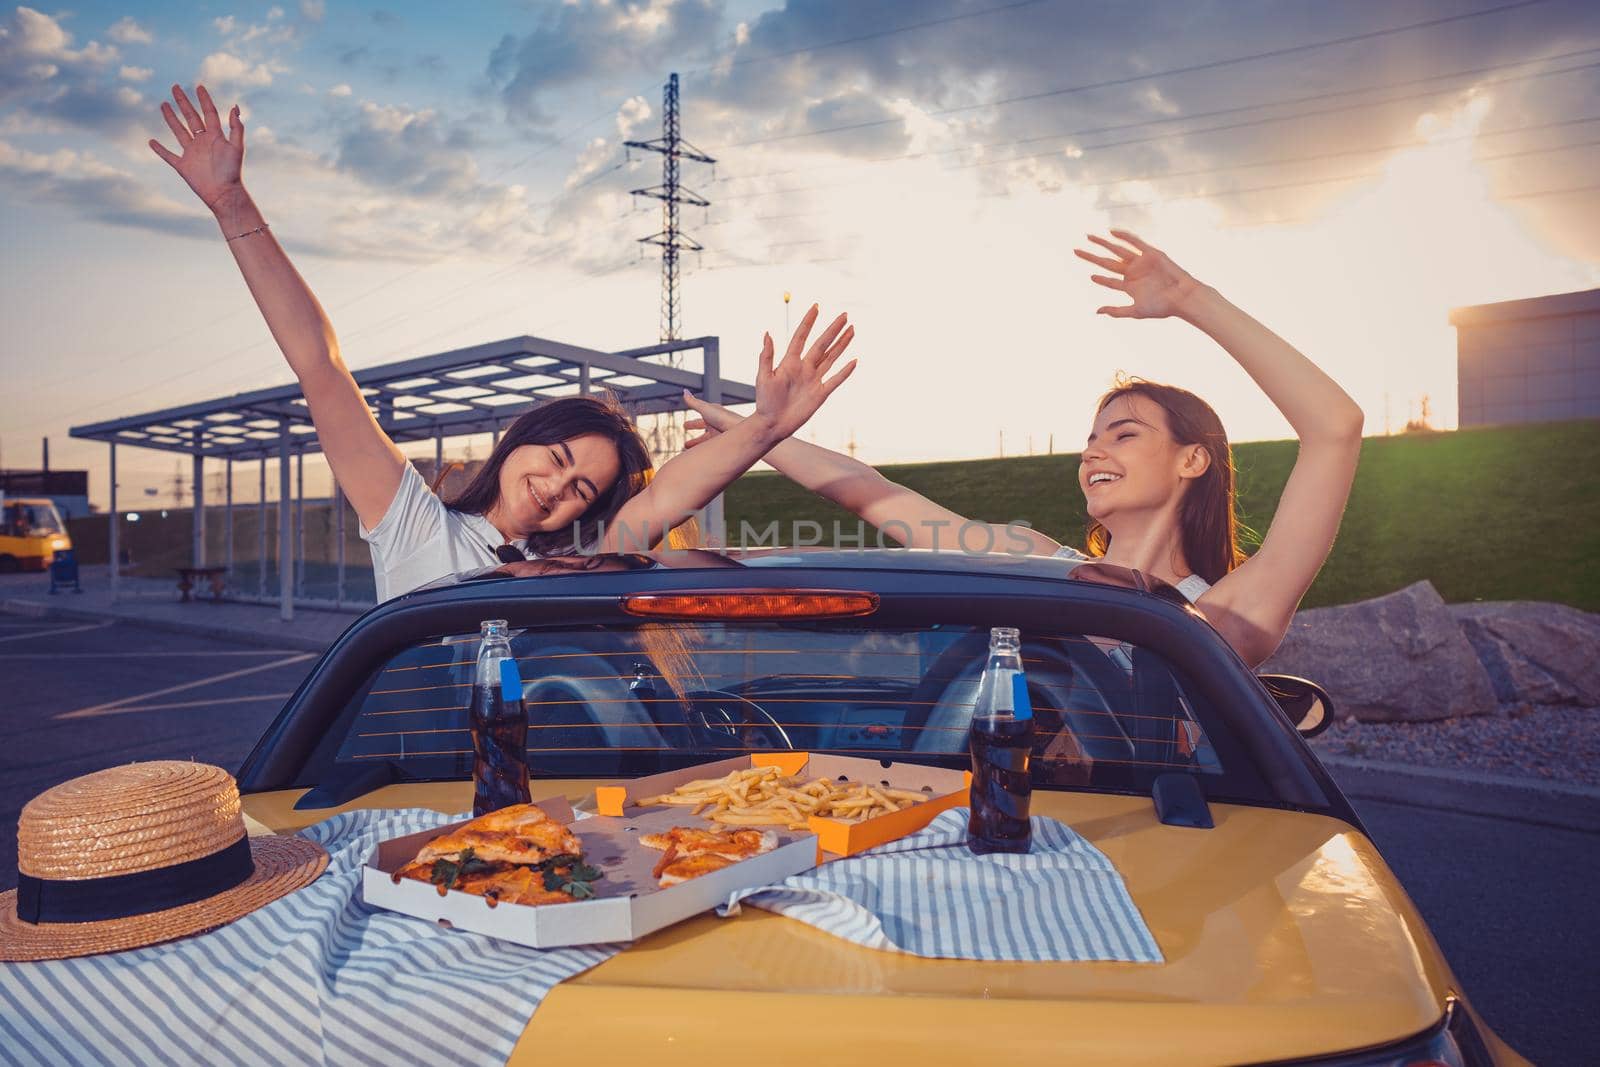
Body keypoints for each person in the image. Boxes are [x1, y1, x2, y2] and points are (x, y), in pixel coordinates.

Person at [149, 85, 857, 601]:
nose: (556, 488)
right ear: (518, 440)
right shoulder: (415, 527)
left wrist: (765, 426)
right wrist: (231, 203)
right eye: (556, 458)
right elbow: (321, 367)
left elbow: (665, 497)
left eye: (582, 488)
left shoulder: (579, 562)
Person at [682, 230, 1363, 667]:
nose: (1093, 453)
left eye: (1124, 434)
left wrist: (1191, 298)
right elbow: (874, 493)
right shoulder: (1041, 563)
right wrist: (758, 433)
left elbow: (1335, 427)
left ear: (1193, 460)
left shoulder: (1225, 611)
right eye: (1090, 440)